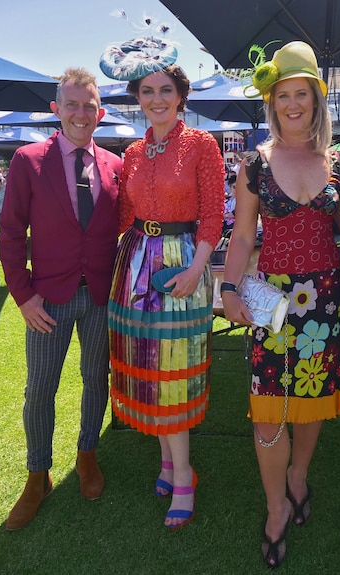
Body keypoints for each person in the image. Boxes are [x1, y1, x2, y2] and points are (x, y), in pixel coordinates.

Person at [221, 40, 340, 568]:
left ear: (317, 100)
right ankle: (276, 507)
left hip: (324, 301)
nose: (292, 105)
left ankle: (299, 475)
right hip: (271, 300)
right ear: (270, 103)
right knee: (268, 409)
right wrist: (229, 289)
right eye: (282, 96)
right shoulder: (255, 164)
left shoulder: (338, 161)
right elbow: (243, 237)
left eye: (302, 94)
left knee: (312, 400)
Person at [101, 37, 224, 531]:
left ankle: (186, 474)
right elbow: (125, 214)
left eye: (165, 90)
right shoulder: (131, 151)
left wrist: (198, 270)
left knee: (176, 366)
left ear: (181, 95)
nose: (157, 99)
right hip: (134, 263)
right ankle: (168, 463)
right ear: (138, 96)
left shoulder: (202, 145)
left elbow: (214, 213)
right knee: (146, 363)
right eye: (147, 90)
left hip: (182, 262)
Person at [0, 67, 122, 531]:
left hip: (101, 299)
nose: (81, 113)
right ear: (56, 109)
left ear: (100, 112)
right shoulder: (28, 160)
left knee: (96, 378)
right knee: (40, 390)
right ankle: (38, 475)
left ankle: (87, 456)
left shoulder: (115, 165)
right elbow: (10, 234)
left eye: (89, 105)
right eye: (71, 104)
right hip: (46, 301)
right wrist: (24, 297)